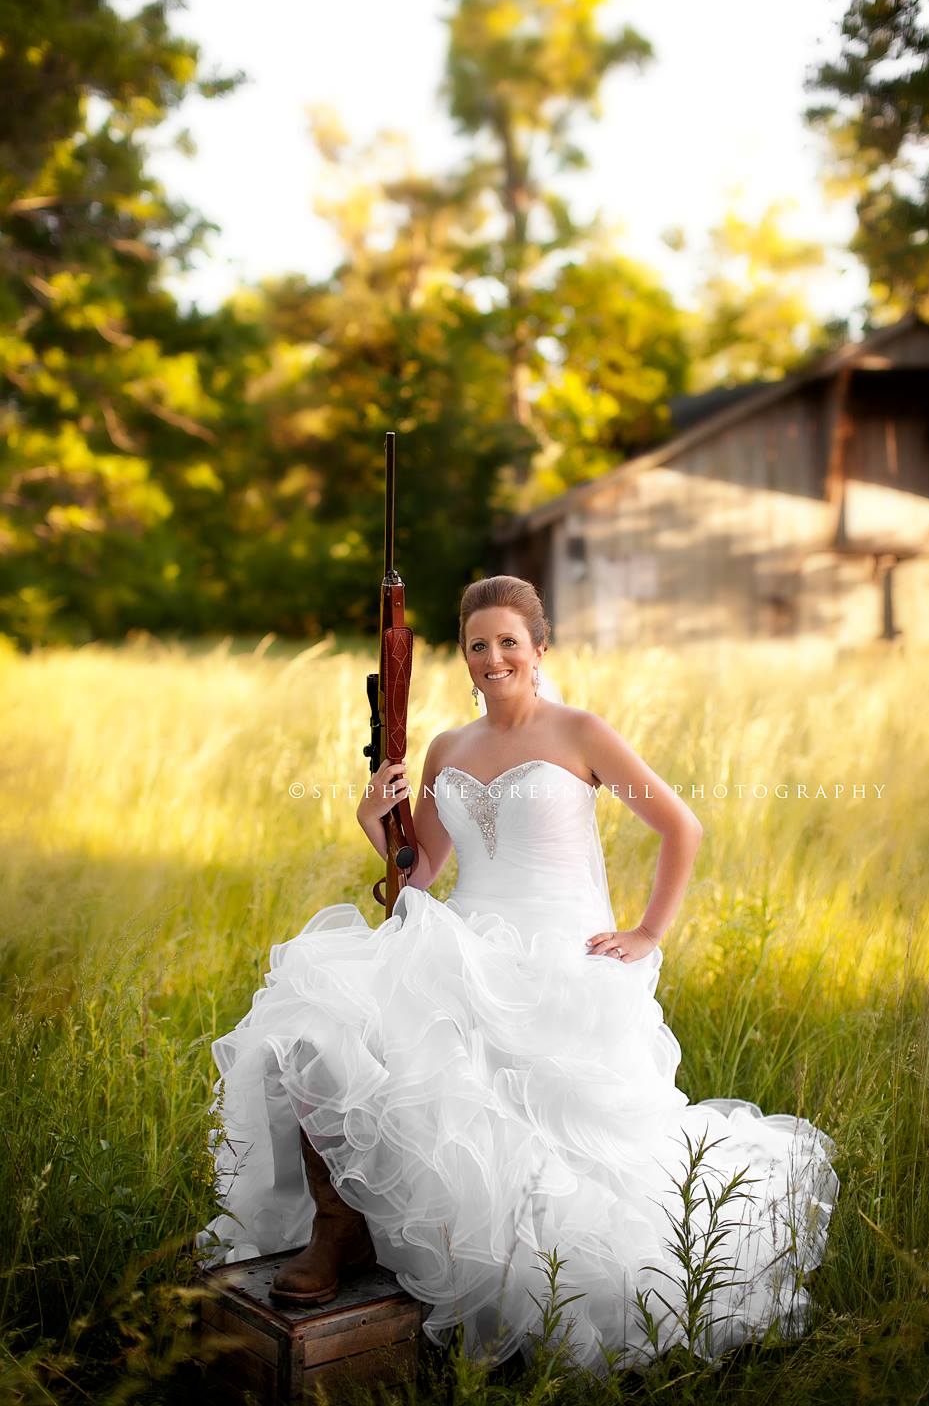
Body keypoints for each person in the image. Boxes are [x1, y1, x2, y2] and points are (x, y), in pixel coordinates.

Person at [196, 574, 838, 1378]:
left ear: (540, 649)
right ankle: (342, 1224)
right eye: (477, 644)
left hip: (559, 952)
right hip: (465, 936)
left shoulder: (581, 732)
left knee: (544, 1135)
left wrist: (646, 931)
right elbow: (419, 873)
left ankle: (502, 1266)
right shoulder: (447, 748)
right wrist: (374, 825)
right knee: (320, 1012)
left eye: (508, 642)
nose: (493, 657)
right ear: (462, 658)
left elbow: (683, 825)